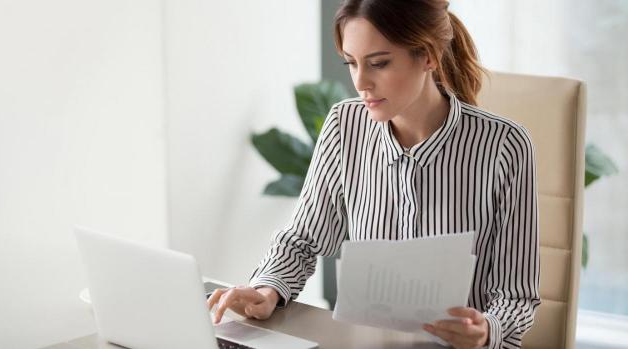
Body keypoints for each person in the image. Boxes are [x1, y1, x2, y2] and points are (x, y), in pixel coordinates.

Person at [207, 1, 540, 348]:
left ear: (428, 56)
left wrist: (486, 330)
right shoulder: (343, 126)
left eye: (379, 63)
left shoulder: (505, 145)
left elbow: (516, 295)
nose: (361, 82)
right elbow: (302, 240)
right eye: (351, 63)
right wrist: (268, 289)